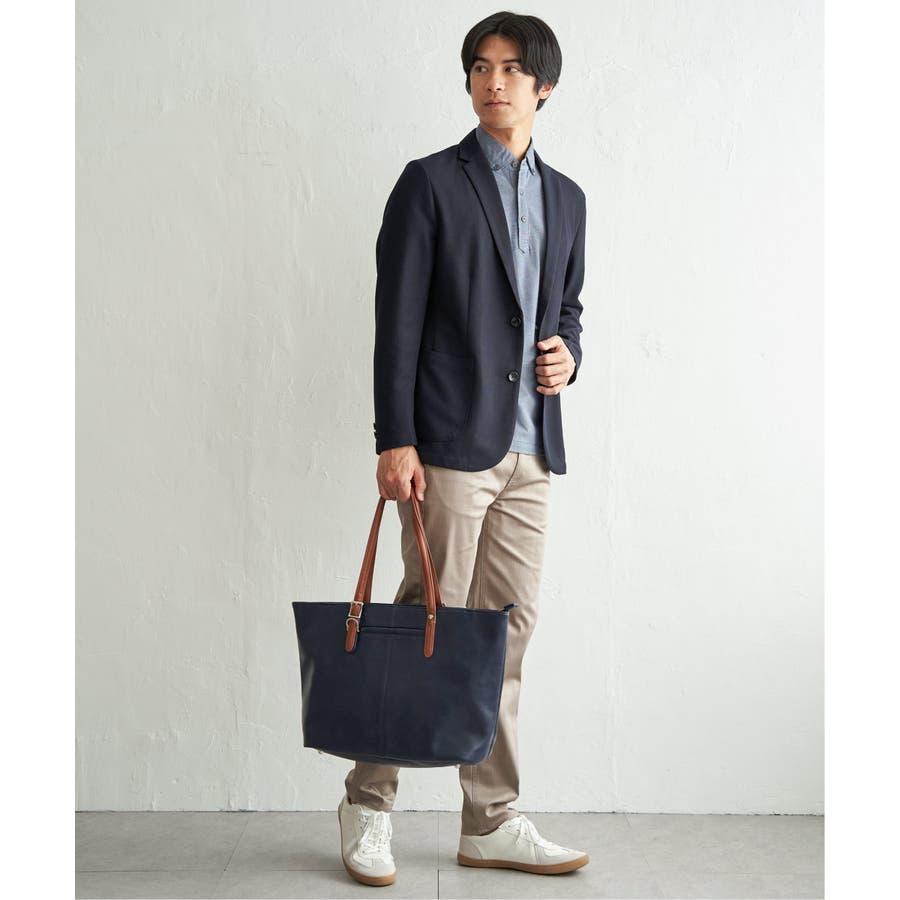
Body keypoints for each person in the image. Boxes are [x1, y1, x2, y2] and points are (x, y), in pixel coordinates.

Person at [337, 10, 588, 887]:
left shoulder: (568, 199)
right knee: (424, 622)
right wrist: (395, 439)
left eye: (512, 69)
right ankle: (368, 804)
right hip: (447, 444)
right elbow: (397, 321)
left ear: (544, 85)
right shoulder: (430, 184)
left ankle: (491, 818)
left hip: (531, 450)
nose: (493, 81)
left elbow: (566, 308)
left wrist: (568, 352)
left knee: (507, 633)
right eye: (480, 66)